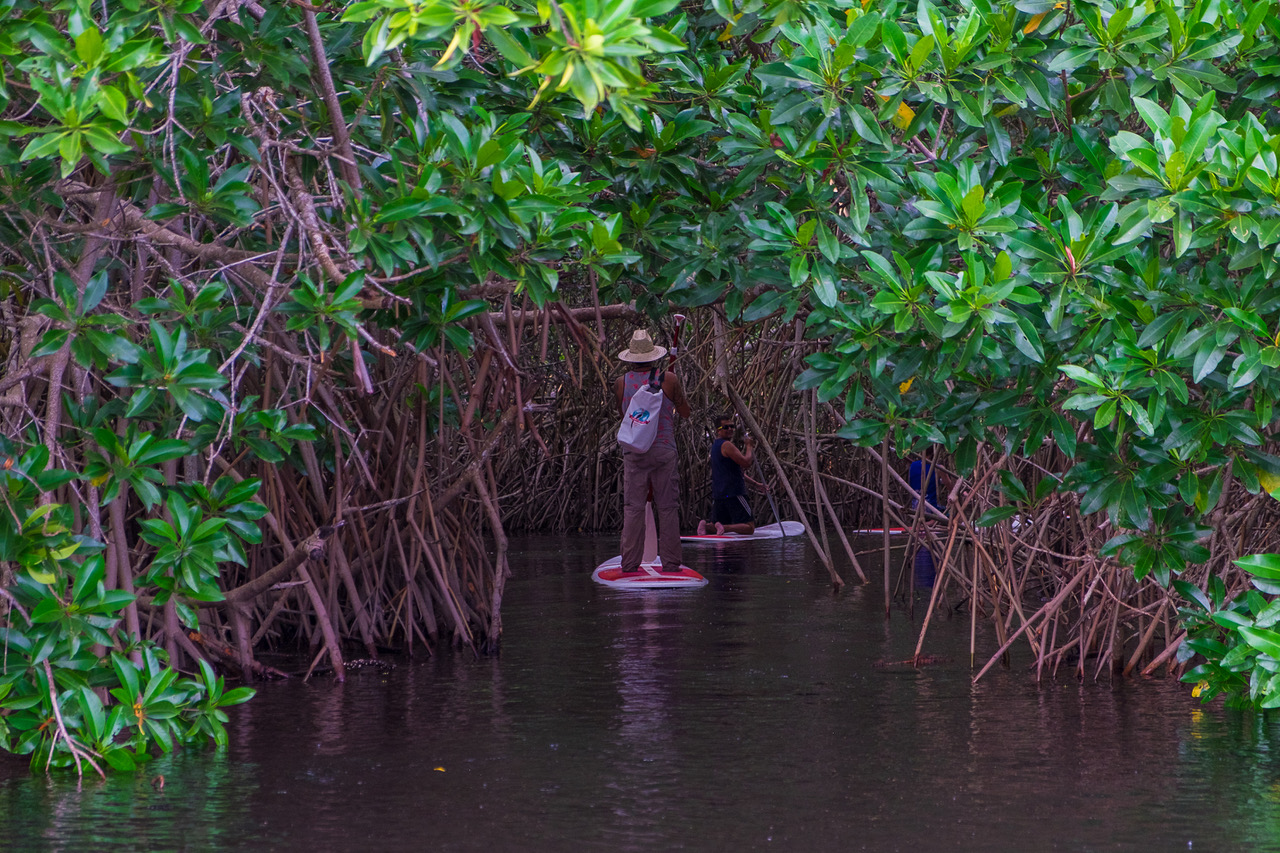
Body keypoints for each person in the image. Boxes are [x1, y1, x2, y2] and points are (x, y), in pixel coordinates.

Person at [615, 328, 691, 573]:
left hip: (635, 452)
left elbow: (625, 417)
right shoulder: (668, 379)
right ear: (653, 355)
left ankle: (629, 564)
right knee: (667, 507)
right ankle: (671, 564)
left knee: (633, 508)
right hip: (664, 451)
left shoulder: (621, 383)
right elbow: (686, 412)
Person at [696, 414, 758, 536]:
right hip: (734, 493)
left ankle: (707, 526)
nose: (730, 429)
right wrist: (749, 447)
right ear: (718, 430)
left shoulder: (715, 447)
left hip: (719, 494)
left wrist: (756, 484)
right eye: (726, 427)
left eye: (731, 426)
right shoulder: (726, 445)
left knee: (717, 525)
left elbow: (734, 472)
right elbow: (746, 463)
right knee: (750, 528)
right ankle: (724, 527)